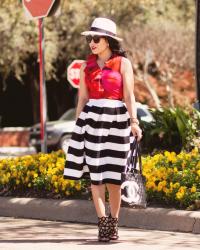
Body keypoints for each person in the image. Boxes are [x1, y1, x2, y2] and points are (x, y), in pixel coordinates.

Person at [63, 17, 142, 242]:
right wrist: (78, 126)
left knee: (114, 178)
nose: (92, 43)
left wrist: (134, 121)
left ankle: (114, 222)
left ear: (107, 40)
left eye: (96, 38)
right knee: (95, 177)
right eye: (90, 39)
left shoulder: (122, 63)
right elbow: (82, 99)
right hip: (91, 122)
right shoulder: (85, 66)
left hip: (117, 121)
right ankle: (103, 224)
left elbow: (129, 95)